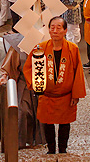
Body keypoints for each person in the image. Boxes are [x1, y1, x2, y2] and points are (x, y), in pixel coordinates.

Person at [23, 17, 86, 154]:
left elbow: (78, 73)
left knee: (65, 123)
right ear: (49, 30)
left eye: (59, 27)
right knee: (47, 123)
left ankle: (63, 149)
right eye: (52, 27)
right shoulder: (40, 48)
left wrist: (76, 95)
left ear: (65, 30)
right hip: (47, 95)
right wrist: (36, 86)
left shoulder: (72, 49)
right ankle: (51, 149)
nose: (55, 30)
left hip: (65, 95)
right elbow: (29, 68)